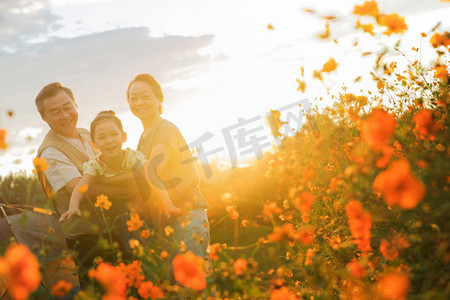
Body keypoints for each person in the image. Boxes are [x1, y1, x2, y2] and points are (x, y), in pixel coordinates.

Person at [35, 83, 139, 285]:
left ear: (75, 104)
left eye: (67, 107)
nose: (64, 115)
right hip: (87, 238)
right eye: (55, 112)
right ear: (44, 117)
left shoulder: (86, 133)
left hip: (114, 224)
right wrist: (130, 189)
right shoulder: (49, 152)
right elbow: (80, 187)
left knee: (131, 285)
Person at [59, 110, 181, 248]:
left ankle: (156, 242)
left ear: (123, 137)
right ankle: (134, 250)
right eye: (102, 137)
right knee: (124, 229)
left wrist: (167, 203)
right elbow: (81, 186)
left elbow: (152, 178)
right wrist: (73, 207)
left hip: (140, 200)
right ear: (94, 144)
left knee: (151, 223)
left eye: (114, 134)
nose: (109, 140)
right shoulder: (95, 164)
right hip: (115, 207)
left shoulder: (133, 157)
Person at [126, 74, 210, 262]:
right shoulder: (144, 137)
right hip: (168, 218)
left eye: (145, 96)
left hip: (185, 214)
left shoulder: (165, 129)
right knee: (178, 287)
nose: (139, 102)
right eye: (133, 98)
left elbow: (154, 169)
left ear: (159, 99)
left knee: (193, 284)